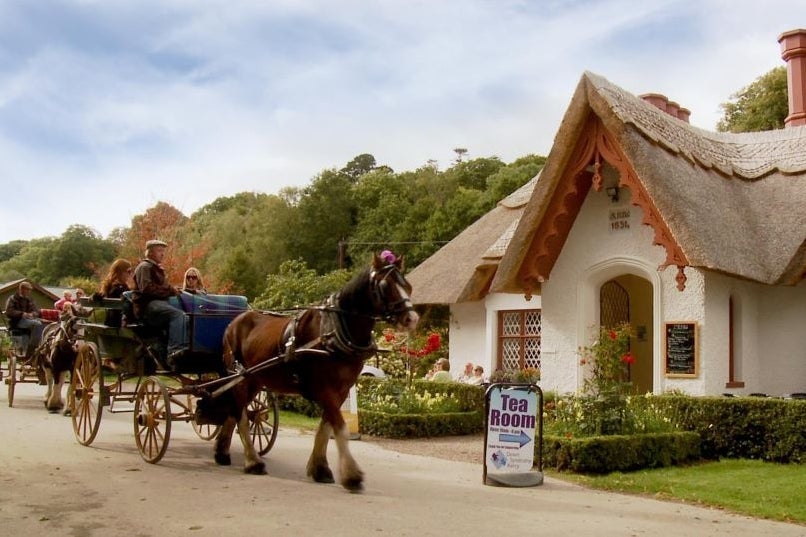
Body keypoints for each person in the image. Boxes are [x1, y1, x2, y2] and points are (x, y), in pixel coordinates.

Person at [131, 239, 187, 367]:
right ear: (150, 253)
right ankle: (174, 351)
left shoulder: (155, 268)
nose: (162, 254)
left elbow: (162, 288)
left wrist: (172, 290)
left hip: (158, 305)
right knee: (179, 315)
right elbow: (147, 289)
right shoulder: (144, 267)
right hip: (147, 307)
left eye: (163, 251)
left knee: (188, 316)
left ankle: (176, 350)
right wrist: (170, 290)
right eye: (159, 251)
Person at [4, 281, 44, 356]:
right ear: (21, 289)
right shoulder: (13, 299)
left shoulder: (30, 299)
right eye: (27, 289)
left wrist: (32, 314)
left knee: (42, 324)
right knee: (38, 324)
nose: (29, 291)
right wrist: (22, 314)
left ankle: (30, 347)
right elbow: (9, 311)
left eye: (30, 290)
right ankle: (34, 346)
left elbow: (36, 311)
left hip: (29, 321)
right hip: (16, 321)